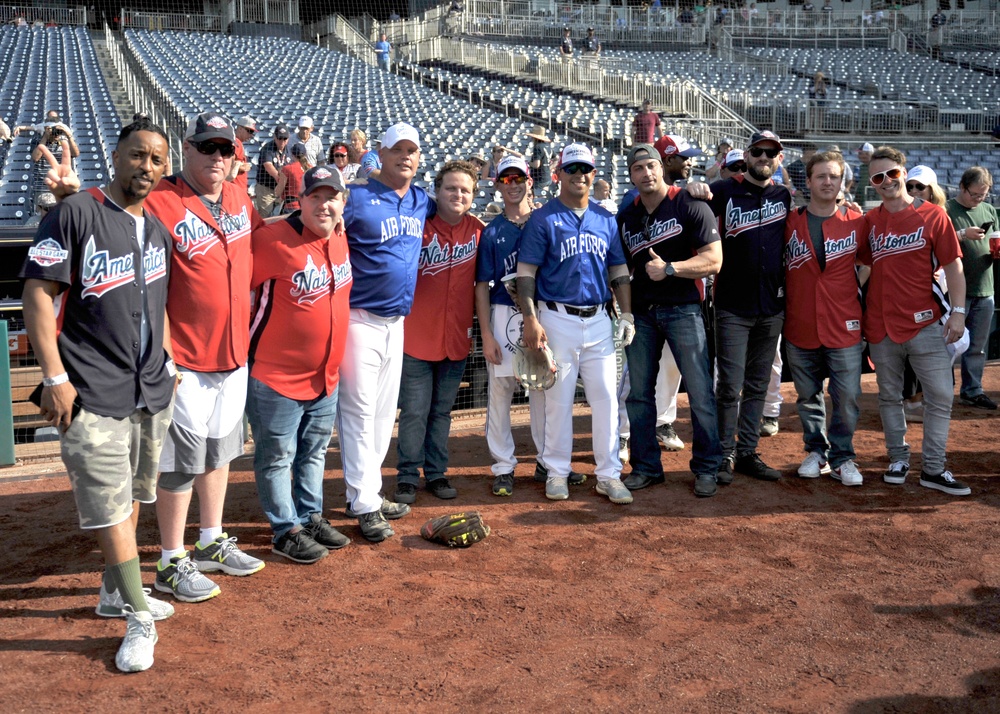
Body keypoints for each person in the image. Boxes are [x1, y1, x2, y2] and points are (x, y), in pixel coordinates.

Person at [20, 118, 176, 672]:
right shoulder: (74, 213)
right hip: (90, 386)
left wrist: (168, 362)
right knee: (110, 505)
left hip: (147, 387)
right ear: (117, 156)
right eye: (138, 155)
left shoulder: (155, 229)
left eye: (157, 160)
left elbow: (155, 309)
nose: (147, 167)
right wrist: (56, 378)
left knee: (134, 496)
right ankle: (138, 615)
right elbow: (37, 296)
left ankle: (114, 593)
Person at [144, 112, 266, 604]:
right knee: (178, 463)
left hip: (233, 354)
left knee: (220, 451)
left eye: (226, 149)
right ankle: (171, 560)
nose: (218, 157)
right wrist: (165, 353)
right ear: (187, 148)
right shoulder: (160, 202)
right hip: (186, 359)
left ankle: (211, 539)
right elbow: (148, 286)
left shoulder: (239, 197)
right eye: (208, 147)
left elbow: (264, 242)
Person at [516, 143, 635, 505]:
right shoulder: (544, 218)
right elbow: (526, 274)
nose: (579, 175)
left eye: (585, 169)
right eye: (572, 169)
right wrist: (531, 319)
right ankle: (556, 471)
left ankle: (609, 474)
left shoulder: (604, 218)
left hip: (600, 318)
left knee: (606, 400)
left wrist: (626, 313)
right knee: (558, 401)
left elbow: (618, 268)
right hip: (557, 318)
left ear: (593, 174)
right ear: (559, 174)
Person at [247, 166, 354, 564]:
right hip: (275, 376)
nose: (324, 205)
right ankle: (284, 528)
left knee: (314, 453)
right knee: (276, 457)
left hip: (326, 375)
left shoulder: (341, 237)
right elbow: (235, 290)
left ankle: (309, 517)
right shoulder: (272, 239)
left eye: (332, 197)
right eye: (316, 197)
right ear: (301, 199)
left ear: (343, 202)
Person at [337, 122, 430, 542]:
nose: (405, 156)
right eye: (398, 150)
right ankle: (366, 502)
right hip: (359, 318)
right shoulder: (356, 198)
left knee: (379, 416)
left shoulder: (419, 200)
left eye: (412, 151)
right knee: (357, 414)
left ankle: (365, 493)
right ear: (381, 152)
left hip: (397, 322)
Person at [859, 145, 971, 496]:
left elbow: (954, 266)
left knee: (940, 396)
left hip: (926, 322)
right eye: (879, 177)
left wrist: (959, 312)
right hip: (881, 325)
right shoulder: (869, 221)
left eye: (892, 173)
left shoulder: (934, 216)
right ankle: (898, 459)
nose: (887, 181)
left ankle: (934, 469)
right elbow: (860, 269)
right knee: (889, 396)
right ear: (872, 184)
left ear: (904, 173)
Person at [475, 155, 588, 497]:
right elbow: (481, 285)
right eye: (506, 179)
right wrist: (486, 334)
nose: (514, 185)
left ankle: (546, 462)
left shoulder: (544, 221)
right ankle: (503, 466)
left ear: (530, 181)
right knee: (501, 392)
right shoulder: (492, 231)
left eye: (519, 178)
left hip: (540, 315)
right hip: (503, 313)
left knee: (543, 389)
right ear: (498, 184)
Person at [617, 144, 724, 497]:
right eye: (638, 169)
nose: (646, 173)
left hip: (684, 309)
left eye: (651, 166)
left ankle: (708, 466)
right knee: (639, 395)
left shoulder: (689, 204)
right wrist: (627, 312)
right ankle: (647, 467)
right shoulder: (627, 216)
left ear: (662, 167)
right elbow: (623, 270)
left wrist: (671, 269)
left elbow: (713, 261)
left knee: (699, 391)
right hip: (644, 314)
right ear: (630, 175)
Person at [700, 130, 791, 483]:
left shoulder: (783, 196)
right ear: (748, 155)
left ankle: (748, 451)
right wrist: (694, 187)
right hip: (732, 306)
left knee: (757, 384)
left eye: (771, 153)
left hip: (771, 305)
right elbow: (692, 210)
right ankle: (724, 453)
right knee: (728, 385)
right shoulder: (723, 191)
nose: (764, 158)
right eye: (758, 152)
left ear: (778, 159)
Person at [394, 161, 483, 503]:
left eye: (465, 190)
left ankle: (436, 473)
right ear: (437, 190)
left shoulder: (478, 231)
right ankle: (406, 475)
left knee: (441, 411)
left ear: (473, 196)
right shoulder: (417, 226)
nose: (457, 194)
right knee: (415, 410)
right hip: (416, 335)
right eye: (451, 188)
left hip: (456, 338)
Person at [783, 150, 867, 485]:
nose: (828, 181)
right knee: (808, 396)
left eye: (834, 175)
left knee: (846, 395)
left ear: (842, 180)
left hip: (843, 322)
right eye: (821, 176)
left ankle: (844, 456)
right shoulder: (790, 222)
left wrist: (847, 289)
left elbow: (870, 262)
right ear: (809, 180)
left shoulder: (857, 221)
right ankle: (816, 451)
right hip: (800, 322)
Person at [946, 166, 997, 410]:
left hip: (985, 287)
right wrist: (962, 234)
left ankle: (972, 390)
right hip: (956, 290)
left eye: (983, 195)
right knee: (948, 345)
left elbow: (996, 237)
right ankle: (941, 389)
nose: (979, 199)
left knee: (977, 346)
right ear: (962, 187)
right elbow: (936, 241)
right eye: (975, 194)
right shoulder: (946, 209)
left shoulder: (988, 210)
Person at [254, 125, 291, 217]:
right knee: (265, 215)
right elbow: (268, 165)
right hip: (266, 189)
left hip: (282, 190)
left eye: (285, 138)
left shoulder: (289, 150)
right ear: (275, 137)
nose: (282, 141)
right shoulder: (268, 148)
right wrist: (279, 179)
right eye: (279, 138)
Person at [276, 143, 311, 214]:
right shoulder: (311, 168)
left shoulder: (288, 169)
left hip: (292, 207)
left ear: (292, 154)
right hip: (308, 206)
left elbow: (278, 191)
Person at [228, 116, 256, 193]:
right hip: (234, 188)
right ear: (240, 128)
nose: (251, 135)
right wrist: (242, 167)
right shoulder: (236, 143)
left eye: (252, 132)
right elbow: (228, 163)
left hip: (236, 188)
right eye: (249, 131)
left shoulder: (236, 142)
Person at [525, 124, 553, 199]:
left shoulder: (537, 147)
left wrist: (527, 162)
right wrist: (549, 167)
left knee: (538, 199)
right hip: (547, 177)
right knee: (545, 198)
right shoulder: (547, 146)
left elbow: (536, 164)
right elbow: (557, 158)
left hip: (539, 178)